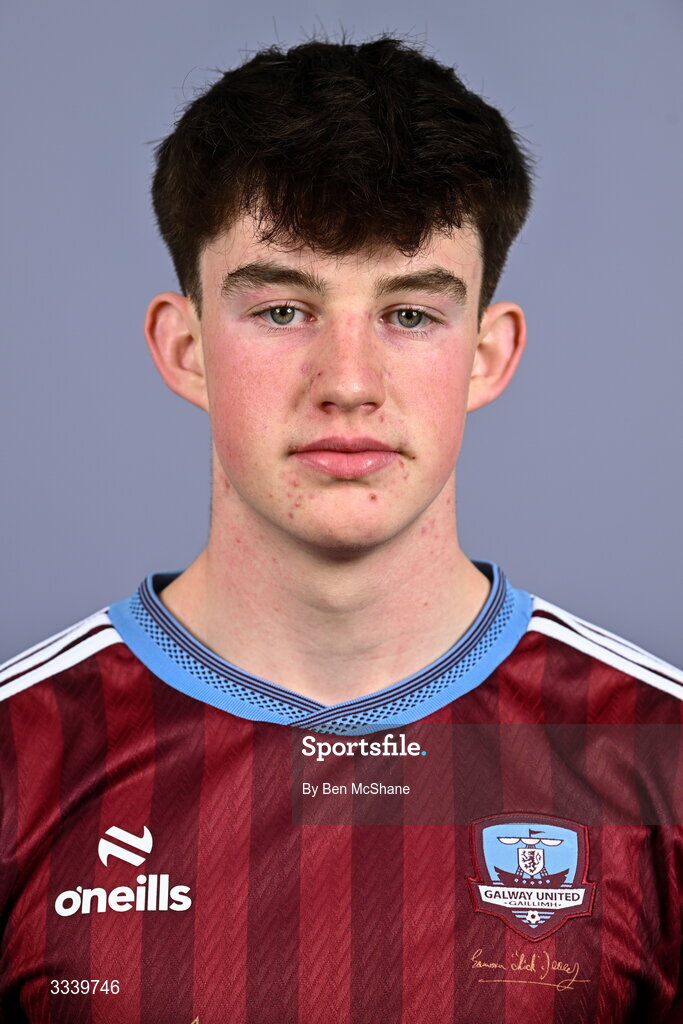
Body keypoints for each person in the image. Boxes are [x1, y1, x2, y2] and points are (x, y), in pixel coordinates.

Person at [1, 35, 681, 1024]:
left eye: (409, 314)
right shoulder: (22, 759)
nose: (349, 382)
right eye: (281, 310)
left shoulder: (653, 753)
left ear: (488, 355)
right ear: (184, 348)